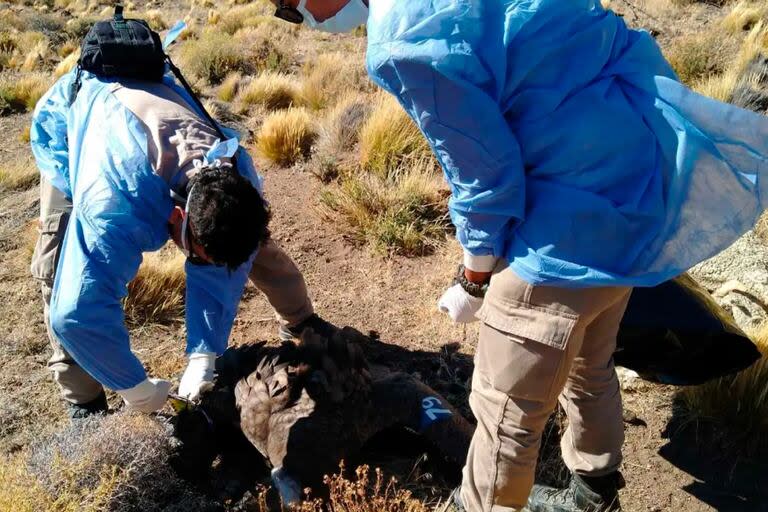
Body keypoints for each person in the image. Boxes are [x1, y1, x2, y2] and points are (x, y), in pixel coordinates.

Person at [270, 0, 768, 510]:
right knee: (590, 364)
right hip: (630, 192)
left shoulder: (404, 40)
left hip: (561, 232)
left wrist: (473, 278)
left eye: (289, 7)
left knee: (505, 414)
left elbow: (486, 176)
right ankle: (593, 493)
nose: (298, 17)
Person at [30, 66, 334, 419]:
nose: (207, 266)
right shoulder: (111, 204)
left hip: (153, 107)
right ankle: (83, 400)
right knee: (62, 269)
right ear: (176, 218)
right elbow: (76, 312)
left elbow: (224, 262)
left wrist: (203, 354)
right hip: (78, 124)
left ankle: (299, 318)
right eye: (199, 256)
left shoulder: (238, 174)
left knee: (239, 244)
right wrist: (134, 387)